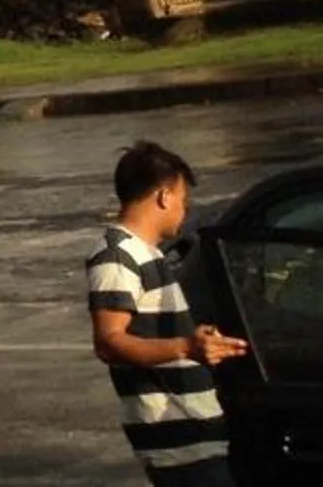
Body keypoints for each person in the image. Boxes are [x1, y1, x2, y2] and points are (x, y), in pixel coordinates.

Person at [89, 139, 248, 483]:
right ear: (164, 196)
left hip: (193, 432)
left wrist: (197, 342)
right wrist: (187, 347)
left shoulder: (149, 254)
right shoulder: (117, 257)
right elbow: (109, 341)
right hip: (176, 440)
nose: (184, 210)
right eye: (183, 200)